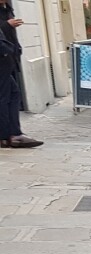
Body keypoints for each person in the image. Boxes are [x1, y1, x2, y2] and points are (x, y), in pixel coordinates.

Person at [0, 0, 40, 147]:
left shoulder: (8, 9)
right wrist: (7, 26)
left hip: (8, 59)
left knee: (13, 94)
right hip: (2, 59)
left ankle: (12, 134)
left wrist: (16, 49)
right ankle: (8, 135)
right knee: (5, 97)